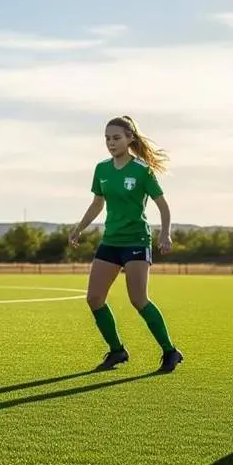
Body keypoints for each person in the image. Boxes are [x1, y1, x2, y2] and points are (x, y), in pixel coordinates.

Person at [69, 115, 183, 373]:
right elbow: (97, 204)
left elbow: (163, 206)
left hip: (136, 241)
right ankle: (117, 351)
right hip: (110, 241)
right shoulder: (102, 169)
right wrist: (78, 229)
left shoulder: (142, 170)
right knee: (94, 298)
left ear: (130, 138)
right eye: (107, 138)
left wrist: (165, 234)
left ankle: (170, 351)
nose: (111, 143)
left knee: (138, 299)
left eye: (116, 138)